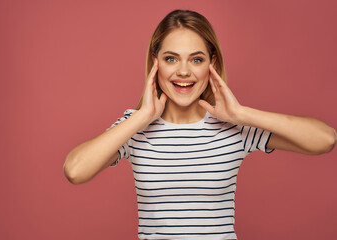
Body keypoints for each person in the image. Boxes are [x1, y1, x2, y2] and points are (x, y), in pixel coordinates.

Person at [63, 9, 336, 240]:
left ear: (211, 64)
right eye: (171, 58)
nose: (184, 71)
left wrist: (242, 114)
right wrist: (142, 117)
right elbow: (75, 170)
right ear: (155, 63)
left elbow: (325, 140)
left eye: (196, 59)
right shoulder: (134, 127)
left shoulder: (236, 127)